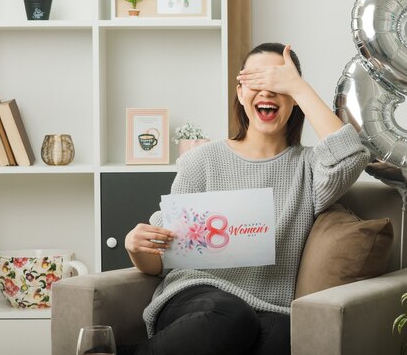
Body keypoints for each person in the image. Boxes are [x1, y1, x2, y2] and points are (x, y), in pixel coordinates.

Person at [123, 42, 370, 355]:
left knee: (287, 337)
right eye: (256, 81)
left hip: (270, 310)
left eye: (276, 82)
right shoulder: (201, 161)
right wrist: (136, 246)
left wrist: (298, 87)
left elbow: (350, 155)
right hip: (196, 299)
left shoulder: (309, 169)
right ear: (240, 93)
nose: (266, 91)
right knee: (231, 316)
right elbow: (159, 259)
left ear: (294, 99)